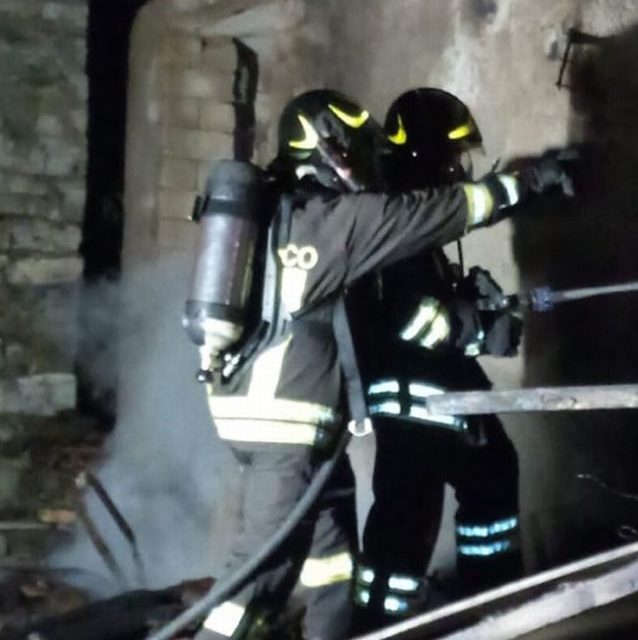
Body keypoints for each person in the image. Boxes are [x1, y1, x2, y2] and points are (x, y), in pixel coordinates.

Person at [188, 89, 574, 640]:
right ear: (332, 145)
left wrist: (469, 311)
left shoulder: (294, 212)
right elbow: (415, 280)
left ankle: (366, 627)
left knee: (334, 564)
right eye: (361, 147)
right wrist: (475, 325)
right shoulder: (339, 221)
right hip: (303, 424)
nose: (370, 162)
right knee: (260, 579)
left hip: (299, 427)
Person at [346, 88, 526, 628]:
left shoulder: (416, 221)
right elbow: (408, 318)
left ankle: (490, 602)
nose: (458, 169)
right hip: (411, 401)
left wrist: (468, 298)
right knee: (405, 524)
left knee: (492, 474)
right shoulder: (397, 221)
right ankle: (379, 626)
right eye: (451, 156)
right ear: (424, 155)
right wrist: (475, 331)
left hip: (440, 391)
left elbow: (423, 304)